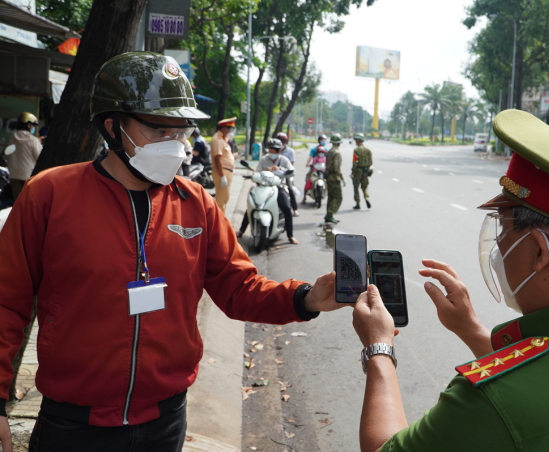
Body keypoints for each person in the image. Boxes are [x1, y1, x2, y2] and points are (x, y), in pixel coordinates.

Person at [0, 52, 342, 451]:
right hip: (73, 425)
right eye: (160, 129)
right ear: (112, 126)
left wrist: (305, 298)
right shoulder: (50, 196)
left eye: (180, 131)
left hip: (165, 422)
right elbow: (7, 304)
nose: (175, 144)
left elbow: (239, 288)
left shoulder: (196, 203)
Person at [351, 109, 549, 452]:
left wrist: (379, 346)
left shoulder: (491, 405)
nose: (498, 246)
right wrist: (471, 330)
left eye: (503, 231)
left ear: (540, 252)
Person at [237, 138, 298, 245]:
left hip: (278, 187)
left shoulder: (284, 160)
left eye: (274, 150)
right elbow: (257, 173)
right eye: (270, 150)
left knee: (287, 208)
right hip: (262, 187)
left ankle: (290, 235)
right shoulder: (264, 160)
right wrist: (265, 170)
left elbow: (292, 171)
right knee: (252, 205)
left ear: (279, 151)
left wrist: (279, 169)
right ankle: (241, 231)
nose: (272, 152)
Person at [6, 112, 41, 200]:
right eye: (32, 126)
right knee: (27, 203)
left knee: (17, 202)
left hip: (14, 175)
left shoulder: (12, 138)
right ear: (28, 125)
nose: (32, 128)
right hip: (28, 176)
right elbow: (39, 157)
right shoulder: (33, 140)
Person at [211, 117, 237, 213]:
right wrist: (222, 176)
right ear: (224, 128)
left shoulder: (223, 139)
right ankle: (219, 225)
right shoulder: (217, 139)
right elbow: (217, 158)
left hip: (226, 171)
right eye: (229, 128)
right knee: (221, 201)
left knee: (224, 199)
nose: (230, 131)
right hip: (222, 171)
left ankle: (221, 223)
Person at [276, 132, 299, 216]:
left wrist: (282, 171)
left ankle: (295, 209)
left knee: (290, 188)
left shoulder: (290, 151)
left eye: (282, 141)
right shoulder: (274, 150)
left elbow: (291, 166)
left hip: (285, 174)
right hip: (274, 175)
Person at [324, 134, 345, 223]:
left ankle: (329, 215)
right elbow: (337, 168)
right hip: (335, 178)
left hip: (328, 177)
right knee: (338, 197)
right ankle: (329, 214)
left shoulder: (329, 151)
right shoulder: (337, 153)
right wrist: (342, 178)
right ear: (339, 143)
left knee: (331, 197)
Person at [351, 133, 372, 209]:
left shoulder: (356, 150)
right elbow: (370, 162)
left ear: (357, 141)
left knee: (356, 187)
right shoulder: (368, 150)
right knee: (365, 187)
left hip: (358, 171)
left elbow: (354, 162)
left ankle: (357, 203)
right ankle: (366, 198)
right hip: (365, 171)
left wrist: (353, 172)